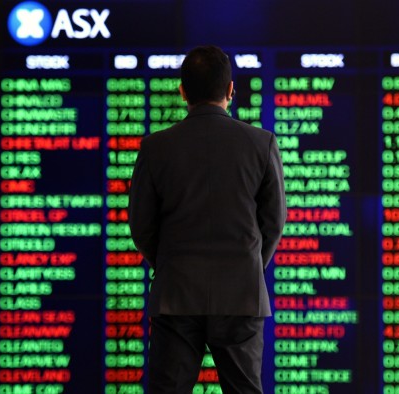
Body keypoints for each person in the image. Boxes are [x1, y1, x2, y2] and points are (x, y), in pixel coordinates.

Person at [128, 45, 286, 393]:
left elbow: (141, 226)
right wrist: (248, 265)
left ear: (182, 91)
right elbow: (274, 222)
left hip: (176, 295)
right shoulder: (262, 143)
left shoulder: (155, 147)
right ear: (231, 90)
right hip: (242, 295)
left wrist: (169, 263)